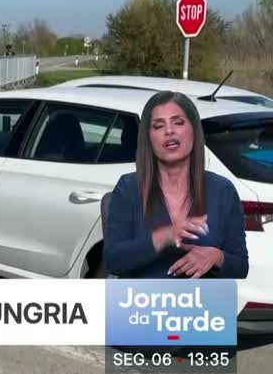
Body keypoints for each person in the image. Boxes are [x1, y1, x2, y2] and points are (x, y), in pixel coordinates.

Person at [103, 91, 248, 279]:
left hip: (203, 304)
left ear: (194, 131)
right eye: (158, 126)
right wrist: (164, 237)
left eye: (178, 122)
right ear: (148, 138)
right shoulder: (129, 187)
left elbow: (241, 266)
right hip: (144, 304)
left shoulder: (223, 190)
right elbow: (113, 261)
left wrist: (217, 257)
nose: (169, 131)